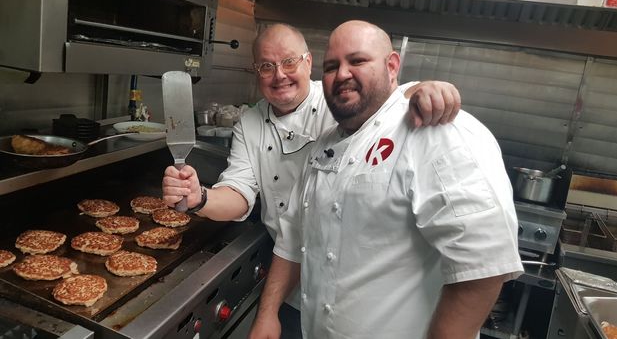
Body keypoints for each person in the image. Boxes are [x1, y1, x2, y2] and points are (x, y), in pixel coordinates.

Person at [161, 23, 462, 339]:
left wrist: (424, 88)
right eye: (266, 66)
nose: (279, 75)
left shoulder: (338, 100)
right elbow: (239, 191)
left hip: (352, 290)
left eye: (289, 62)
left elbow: (385, 100)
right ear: (255, 72)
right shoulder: (249, 121)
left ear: (308, 62)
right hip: (286, 277)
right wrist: (201, 198)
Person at [260, 20, 524, 339]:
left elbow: (482, 267)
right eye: (332, 66)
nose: (342, 74)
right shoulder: (323, 144)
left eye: (357, 61)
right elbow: (293, 235)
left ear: (392, 65)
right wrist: (268, 314)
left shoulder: (435, 129)